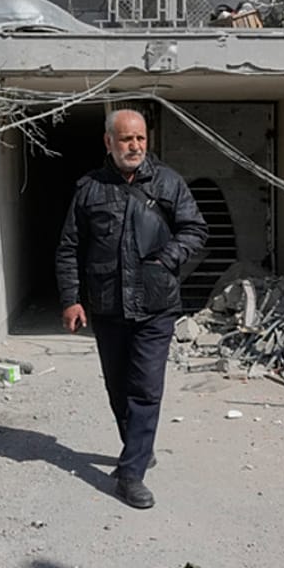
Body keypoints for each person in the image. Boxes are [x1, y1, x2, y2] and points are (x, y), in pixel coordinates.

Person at [56, 108, 207, 509]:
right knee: (118, 386)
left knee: (145, 388)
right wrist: (71, 299)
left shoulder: (168, 182)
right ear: (109, 142)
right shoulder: (88, 188)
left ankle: (131, 473)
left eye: (140, 139)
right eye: (126, 139)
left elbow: (196, 229)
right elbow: (69, 248)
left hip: (156, 305)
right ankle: (138, 444)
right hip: (107, 306)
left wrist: (166, 258)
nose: (135, 146)